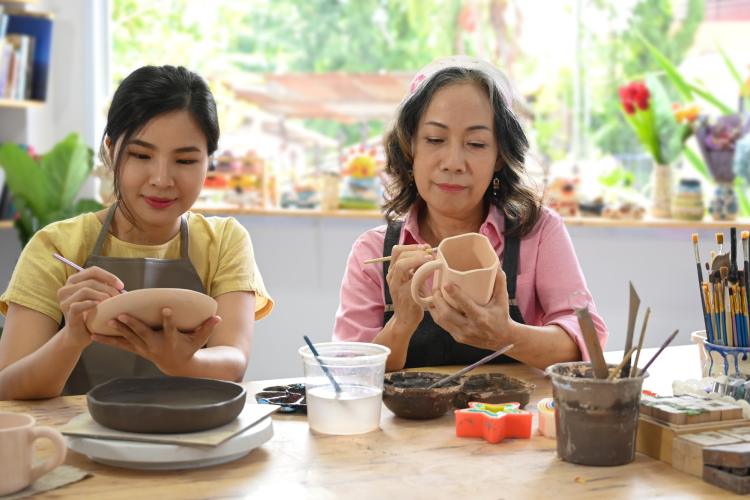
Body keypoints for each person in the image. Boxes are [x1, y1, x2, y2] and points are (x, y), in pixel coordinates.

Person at [0, 65, 273, 400]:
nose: (161, 179)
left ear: (208, 162)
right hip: (78, 443)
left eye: (185, 161)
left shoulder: (225, 241)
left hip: (192, 438)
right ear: (111, 150)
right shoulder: (56, 245)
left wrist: (183, 361)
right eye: (141, 155)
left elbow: (234, 362)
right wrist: (71, 337)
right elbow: (8, 387)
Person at [332, 56, 607, 371]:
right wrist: (402, 324)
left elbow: (590, 339)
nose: (453, 162)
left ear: (499, 157)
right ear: (410, 151)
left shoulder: (537, 232)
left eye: (476, 143)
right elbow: (346, 372)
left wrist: (506, 335)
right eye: (435, 139)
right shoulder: (372, 254)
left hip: (513, 417)